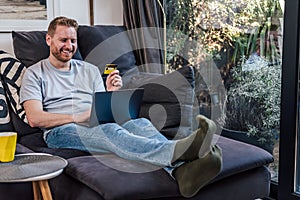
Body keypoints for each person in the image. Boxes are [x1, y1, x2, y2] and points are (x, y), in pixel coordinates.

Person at [20, 16, 222, 198]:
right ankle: (179, 150)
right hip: (60, 131)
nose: (69, 46)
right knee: (110, 130)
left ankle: (181, 172)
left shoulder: (89, 70)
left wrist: (111, 93)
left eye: (73, 41)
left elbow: (101, 107)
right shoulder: (35, 73)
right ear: (49, 40)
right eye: (63, 40)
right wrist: (78, 117)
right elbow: (35, 118)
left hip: (93, 121)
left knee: (140, 123)